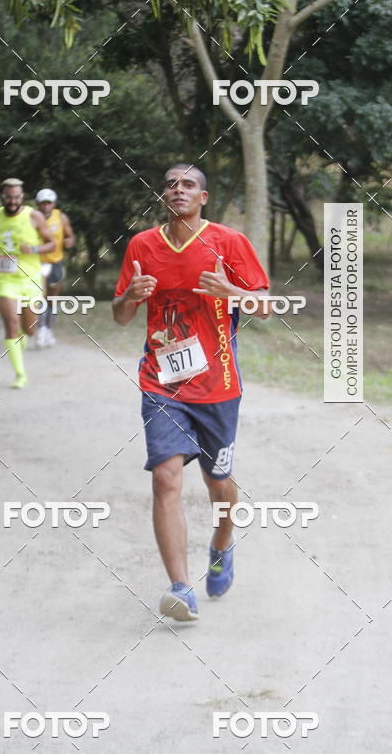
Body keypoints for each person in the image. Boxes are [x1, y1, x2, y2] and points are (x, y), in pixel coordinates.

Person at [112, 163, 271, 622]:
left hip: (218, 387)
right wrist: (130, 297)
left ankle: (222, 541)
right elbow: (121, 316)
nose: (177, 190)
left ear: (203, 197)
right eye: (170, 184)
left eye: (188, 185)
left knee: (218, 483)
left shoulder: (228, 243)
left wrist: (231, 290)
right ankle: (181, 588)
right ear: (164, 195)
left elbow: (263, 307)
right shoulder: (143, 245)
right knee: (165, 477)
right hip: (161, 383)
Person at [0, 178, 55, 388]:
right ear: (3, 197)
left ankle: (23, 336)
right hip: (6, 280)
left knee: (29, 330)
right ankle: (20, 374)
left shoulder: (34, 216)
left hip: (31, 280)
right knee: (10, 324)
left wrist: (34, 249)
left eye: (16, 197)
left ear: (21, 197)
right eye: (8, 197)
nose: (12, 201)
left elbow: (52, 244)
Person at [34, 188, 75, 348]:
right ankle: (41, 330)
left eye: (48, 203)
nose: (45, 206)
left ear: (54, 204)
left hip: (56, 262)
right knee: (40, 296)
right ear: (38, 204)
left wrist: (70, 240)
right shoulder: (32, 218)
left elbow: (70, 235)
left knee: (52, 299)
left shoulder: (61, 218)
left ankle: (48, 329)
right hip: (37, 263)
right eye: (43, 203)